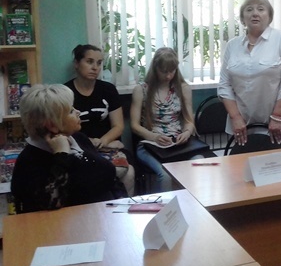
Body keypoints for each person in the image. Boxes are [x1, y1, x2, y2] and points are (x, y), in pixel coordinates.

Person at [11, 84, 127, 213]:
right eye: (71, 111)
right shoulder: (30, 160)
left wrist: (124, 205)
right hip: (73, 223)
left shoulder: (78, 138)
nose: (78, 112)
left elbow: (109, 176)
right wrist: (61, 154)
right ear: (52, 125)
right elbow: (52, 202)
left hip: (108, 215)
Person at [218, 0, 281, 146]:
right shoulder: (232, 45)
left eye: (261, 9)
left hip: (276, 122)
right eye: (249, 9)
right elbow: (224, 85)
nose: (255, 13)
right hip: (241, 124)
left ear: (269, 16)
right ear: (242, 18)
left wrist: (277, 117)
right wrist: (235, 117)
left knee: (275, 160)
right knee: (242, 160)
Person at [65, 44, 134, 196]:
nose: (95, 67)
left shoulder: (108, 89)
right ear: (77, 63)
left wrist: (102, 142)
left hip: (107, 145)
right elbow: (65, 130)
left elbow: (118, 126)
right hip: (80, 148)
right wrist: (90, 144)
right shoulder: (66, 93)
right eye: (89, 62)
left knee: (129, 172)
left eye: (99, 63)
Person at [130, 47, 196, 192]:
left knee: (198, 165)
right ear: (156, 69)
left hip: (177, 143)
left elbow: (189, 120)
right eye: (164, 71)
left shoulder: (183, 88)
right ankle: (163, 206)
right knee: (165, 175)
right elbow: (134, 126)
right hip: (151, 144)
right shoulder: (141, 90)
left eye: (172, 71)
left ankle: (191, 204)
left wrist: (186, 132)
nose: (168, 76)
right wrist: (154, 137)